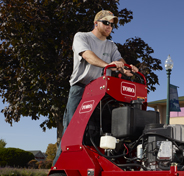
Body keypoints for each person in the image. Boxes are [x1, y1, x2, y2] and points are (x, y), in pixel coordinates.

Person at [53, 10, 138, 166]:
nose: (109, 27)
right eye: (106, 23)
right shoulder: (82, 37)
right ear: (96, 23)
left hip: (101, 92)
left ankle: (94, 167)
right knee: (71, 131)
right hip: (80, 89)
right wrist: (108, 65)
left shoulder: (111, 45)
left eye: (112, 25)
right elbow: (88, 56)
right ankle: (57, 171)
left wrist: (127, 69)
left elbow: (119, 61)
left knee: (100, 131)